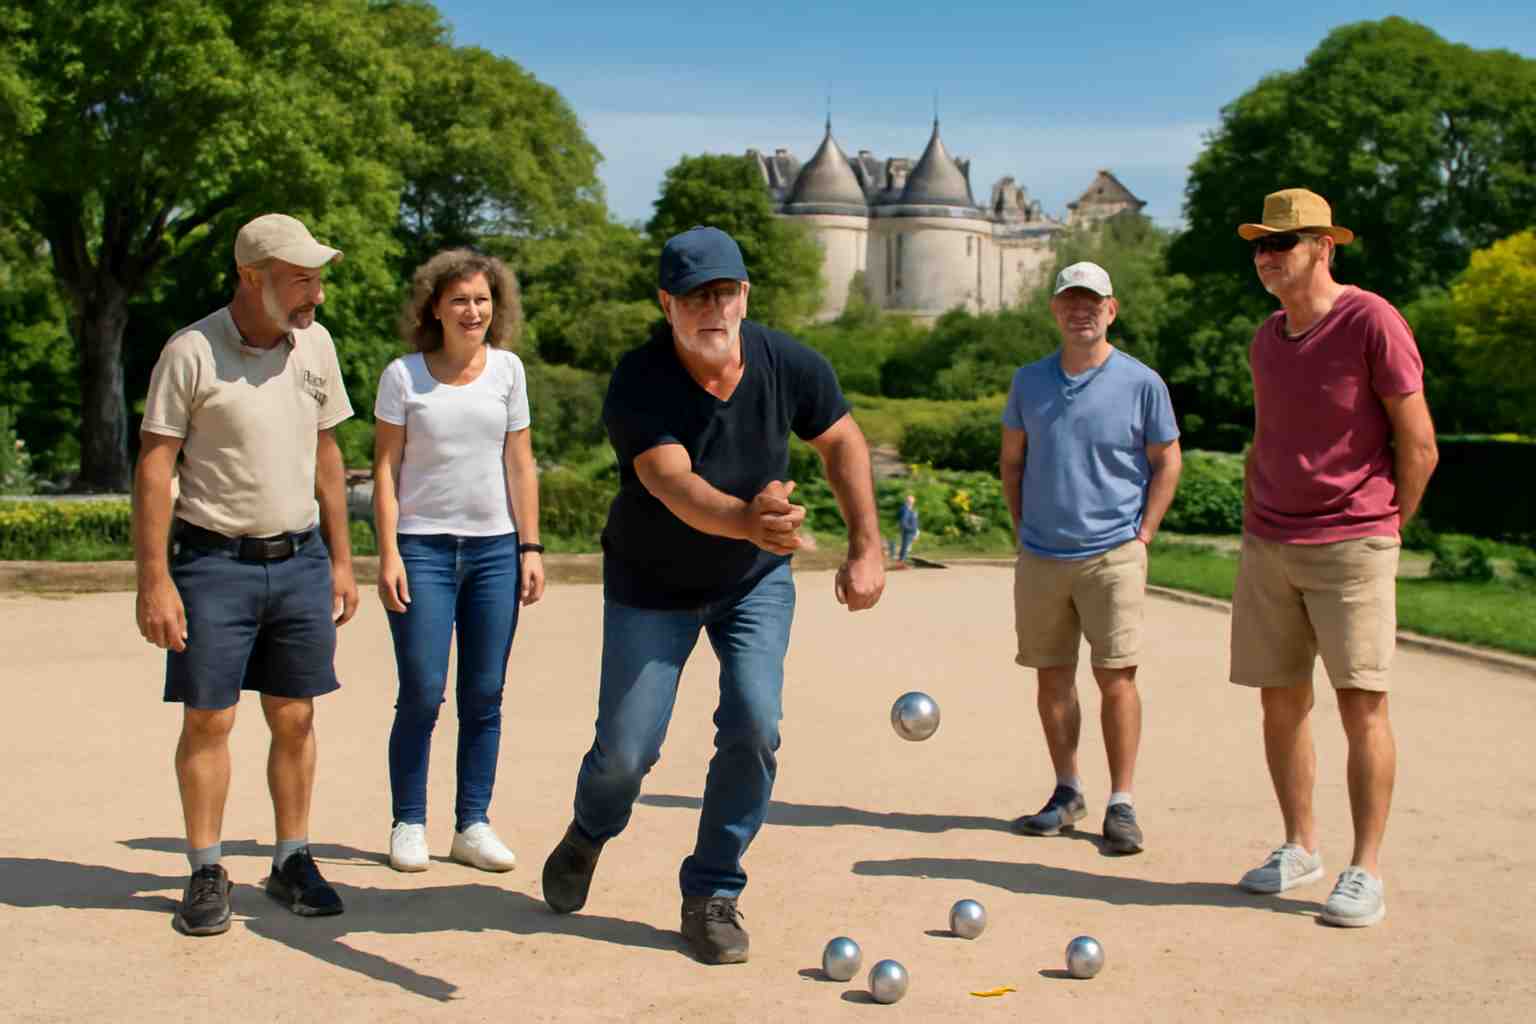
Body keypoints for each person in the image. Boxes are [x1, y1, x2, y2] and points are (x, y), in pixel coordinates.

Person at [539, 226, 885, 964]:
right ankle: (589, 832)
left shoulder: (788, 361)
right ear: (666, 304)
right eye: (694, 297)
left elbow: (844, 441)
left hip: (751, 584)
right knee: (627, 754)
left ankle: (713, 892)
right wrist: (748, 522)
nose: (712, 309)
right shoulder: (640, 379)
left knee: (756, 724)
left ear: (744, 295)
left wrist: (867, 545)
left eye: (724, 292)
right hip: (651, 583)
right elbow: (672, 484)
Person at [133, 214, 358, 937]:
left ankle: (291, 860)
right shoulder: (190, 351)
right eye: (300, 280)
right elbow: (155, 465)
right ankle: (205, 868)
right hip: (212, 564)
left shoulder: (316, 346)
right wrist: (154, 580)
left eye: (317, 279)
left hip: (300, 561)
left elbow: (328, 456)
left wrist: (344, 560)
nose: (315, 296)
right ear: (251, 277)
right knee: (210, 718)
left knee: (295, 717)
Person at [1230, 189, 1437, 927]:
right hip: (1270, 542)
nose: (1265, 257)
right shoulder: (1266, 337)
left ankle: (1365, 869)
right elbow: (1273, 435)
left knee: (1363, 705)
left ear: (1324, 247)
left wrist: (1385, 527)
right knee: (1279, 702)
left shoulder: (1371, 320)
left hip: (1353, 540)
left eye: (1280, 244)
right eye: (1259, 245)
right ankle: (1298, 846)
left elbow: (1418, 443)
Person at [1000, 261, 1182, 856]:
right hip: (1043, 555)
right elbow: (1013, 462)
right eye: (1070, 301)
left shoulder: (1141, 382)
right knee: (1051, 676)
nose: (1081, 311)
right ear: (1055, 310)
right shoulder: (1028, 382)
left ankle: (1122, 802)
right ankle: (1067, 789)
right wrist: (1023, 528)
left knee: (1116, 677)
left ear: (1112, 309)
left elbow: (1167, 461)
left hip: (1114, 553)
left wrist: (1145, 533)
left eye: (1092, 302)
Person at [373, 249, 544, 874]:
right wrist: (387, 551)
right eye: (460, 300)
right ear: (434, 309)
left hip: (496, 550)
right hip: (421, 547)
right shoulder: (403, 376)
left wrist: (530, 546)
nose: (473, 311)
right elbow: (386, 469)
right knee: (421, 690)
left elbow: (520, 464)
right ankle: (408, 822)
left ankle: (472, 823)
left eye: (482, 300)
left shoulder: (508, 372)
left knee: (485, 693)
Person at [897, 493, 920, 562]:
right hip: (908, 531)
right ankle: (902, 561)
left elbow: (913, 519)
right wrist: (910, 529)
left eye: (913, 501)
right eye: (910, 501)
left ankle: (902, 560)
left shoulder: (910, 509)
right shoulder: (905, 509)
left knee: (907, 546)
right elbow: (903, 521)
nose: (912, 503)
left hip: (912, 530)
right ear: (907, 501)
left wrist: (916, 530)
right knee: (906, 546)